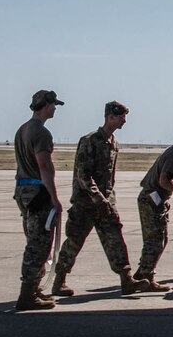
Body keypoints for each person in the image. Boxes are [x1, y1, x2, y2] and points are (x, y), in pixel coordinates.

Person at [50, 101, 142, 297]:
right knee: (74, 241)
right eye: (121, 118)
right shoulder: (90, 141)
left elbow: (110, 176)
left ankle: (126, 279)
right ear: (110, 117)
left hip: (106, 202)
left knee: (116, 240)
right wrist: (97, 198)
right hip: (86, 203)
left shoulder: (114, 143)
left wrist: (107, 199)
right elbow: (83, 175)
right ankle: (59, 281)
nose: (124, 122)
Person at [11, 89, 63, 311]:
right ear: (46, 106)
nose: (55, 109)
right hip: (37, 193)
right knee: (39, 245)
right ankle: (27, 294)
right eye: (53, 105)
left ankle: (34, 288)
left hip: (23, 191)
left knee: (34, 239)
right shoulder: (41, 133)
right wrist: (54, 196)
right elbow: (44, 166)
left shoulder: (22, 129)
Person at [134, 125, 173, 287]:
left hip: (157, 199)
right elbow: (164, 181)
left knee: (161, 238)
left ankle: (142, 272)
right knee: (155, 240)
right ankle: (147, 277)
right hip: (152, 199)